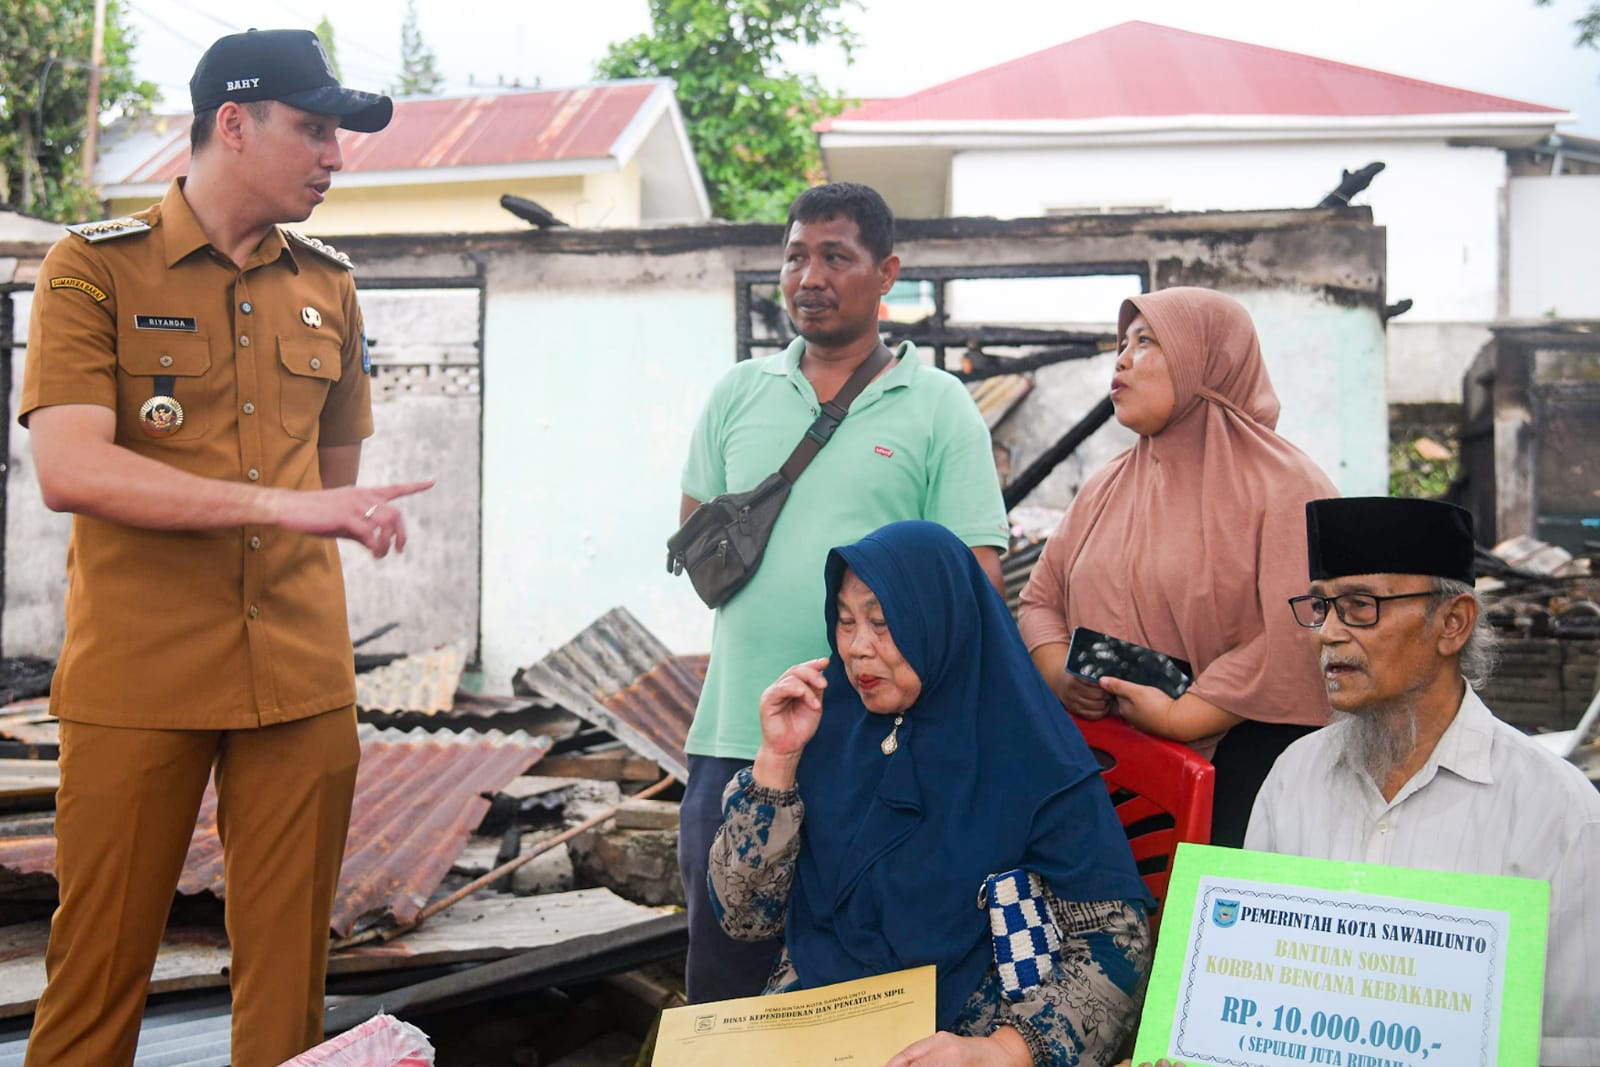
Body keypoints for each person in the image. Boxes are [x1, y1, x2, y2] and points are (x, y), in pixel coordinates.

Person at [19, 29, 431, 1067]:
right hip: (140, 674)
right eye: (314, 129)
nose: (335, 156)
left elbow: (336, 490)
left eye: (339, 134)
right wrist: (284, 508)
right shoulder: (90, 268)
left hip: (298, 676)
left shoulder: (330, 285)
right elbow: (72, 469)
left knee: (289, 983)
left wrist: (336, 511)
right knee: (98, 973)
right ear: (233, 124)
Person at [677, 182, 1010, 1002]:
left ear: (886, 271)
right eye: (795, 255)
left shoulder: (937, 407)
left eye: (835, 256)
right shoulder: (737, 394)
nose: (808, 275)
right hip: (735, 736)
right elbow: (700, 546)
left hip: (878, 748)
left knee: (858, 982)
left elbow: (976, 582)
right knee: (726, 970)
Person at [709, 521, 1154, 1066]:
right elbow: (745, 917)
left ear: (941, 621)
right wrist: (777, 761)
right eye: (845, 622)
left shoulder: (1033, 758)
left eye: (882, 621)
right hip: (816, 1021)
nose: (856, 648)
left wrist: (1000, 1053)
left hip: (960, 1036)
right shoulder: (825, 728)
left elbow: (1116, 946)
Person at [1245, 497, 1600, 1066]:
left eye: (1360, 606)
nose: (1327, 634)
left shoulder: (1559, 813)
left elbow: (1576, 1042)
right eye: (1320, 607)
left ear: (1452, 623)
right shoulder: (1294, 777)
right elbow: (1249, 982)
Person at [1018, 287, 1337, 847]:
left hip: (1244, 781)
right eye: (1122, 343)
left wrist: (1188, 715)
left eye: (1146, 343)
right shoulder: (1105, 487)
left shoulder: (1289, 489)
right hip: (1102, 772)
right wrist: (1061, 675)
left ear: (1206, 360)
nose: (1120, 359)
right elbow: (1042, 599)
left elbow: (1301, 631)